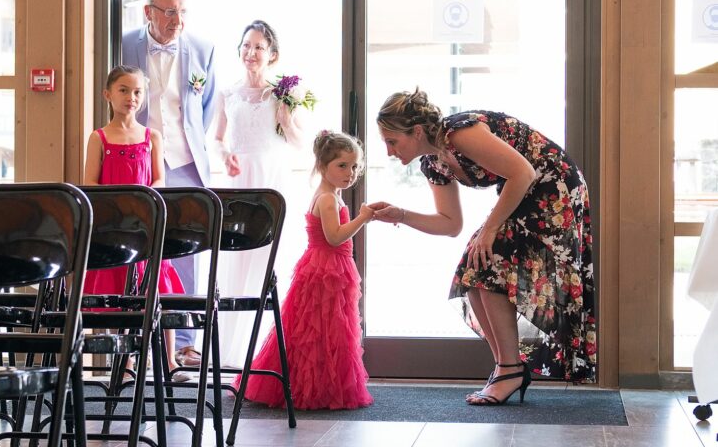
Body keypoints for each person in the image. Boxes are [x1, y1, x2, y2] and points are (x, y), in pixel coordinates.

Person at [371, 89, 596, 405]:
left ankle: (510, 369)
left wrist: (489, 230)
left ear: (417, 132)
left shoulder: (460, 132)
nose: (389, 152)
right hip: (521, 190)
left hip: (552, 185)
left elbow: (523, 172)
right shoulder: (434, 164)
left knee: (488, 264)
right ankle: (508, 366)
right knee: (473, 269)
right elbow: (450, 224)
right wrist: (401, 215)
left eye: (392, 141)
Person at [239, 131, 374, 410]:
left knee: (327, 328)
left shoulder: (332, 195)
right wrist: (363, 218)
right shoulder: (327, 199)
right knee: (320, 329)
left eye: (355, 167)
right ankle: (313, 388)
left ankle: (322, 385)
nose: (350, 173)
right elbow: (334, 237)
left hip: (328, 266)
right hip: (326, 268)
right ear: (322, 166)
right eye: (342, 166)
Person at [122, 0, 217, 369]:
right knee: (138, 248)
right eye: (169, 11)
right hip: (138, 160)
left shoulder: (203, 49)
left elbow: (204, 107)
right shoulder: (124, 44)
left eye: (182, 12)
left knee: (187, 251)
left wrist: (188, 144)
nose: (177, 20)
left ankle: (185, 343)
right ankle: (137, 342)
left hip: (184, 163)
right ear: (149, 12)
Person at [211, 20, 308, 366]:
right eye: (246, 46)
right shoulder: (228, 93)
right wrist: (225, 155)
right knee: (237, 256)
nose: (250, 53)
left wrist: (287, 118)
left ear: (272, 55)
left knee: (270, 255)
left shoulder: (282, 93)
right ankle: (234, 351)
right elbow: (217, 138)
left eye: (259, 47)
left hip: (272, 178)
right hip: (240, 180)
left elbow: (300, 142)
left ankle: (270, 351)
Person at [83, 65, 186, 379]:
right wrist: (118, 204)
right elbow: (90, 183)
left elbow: (159, 178)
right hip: (115, 228)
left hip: (147, 226)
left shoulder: (152, 136)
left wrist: (144, 199)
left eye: (138, 91)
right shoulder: (99, 138)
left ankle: (169, 361)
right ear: (108, 94)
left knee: (157, 289)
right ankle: (126, 363)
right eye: (124, 90)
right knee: (120, 293)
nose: (131, 97)